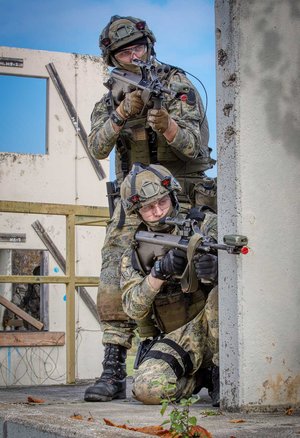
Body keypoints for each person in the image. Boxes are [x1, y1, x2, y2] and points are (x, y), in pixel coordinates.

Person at [84, 14, 217, 402]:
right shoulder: (111, 97)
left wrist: (167, 125)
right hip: (135, 202)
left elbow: (195, 148)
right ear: (113, 57)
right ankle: (113, 369)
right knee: (114, 268)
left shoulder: (177, 85)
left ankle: (212, 359)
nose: (134, 56)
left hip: (180, 195)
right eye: (125, 52)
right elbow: (96, 147)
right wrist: (124, 112)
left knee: (207, 264)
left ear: (150, 45)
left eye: (139, 47)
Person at [120, 163, 219, 406]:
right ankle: (195, 380)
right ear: (136, 212)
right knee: (146, 389)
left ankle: (222, 373)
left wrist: (219, 270)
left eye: (162, 202)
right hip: (182, 337)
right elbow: (133, 308)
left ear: (173, 195)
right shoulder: (134, 252)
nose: (157, 212)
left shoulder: (206, 224)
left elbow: (247, 272)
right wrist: (159, 272)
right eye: (147, 208)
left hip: (215, 329)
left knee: (222, 295)